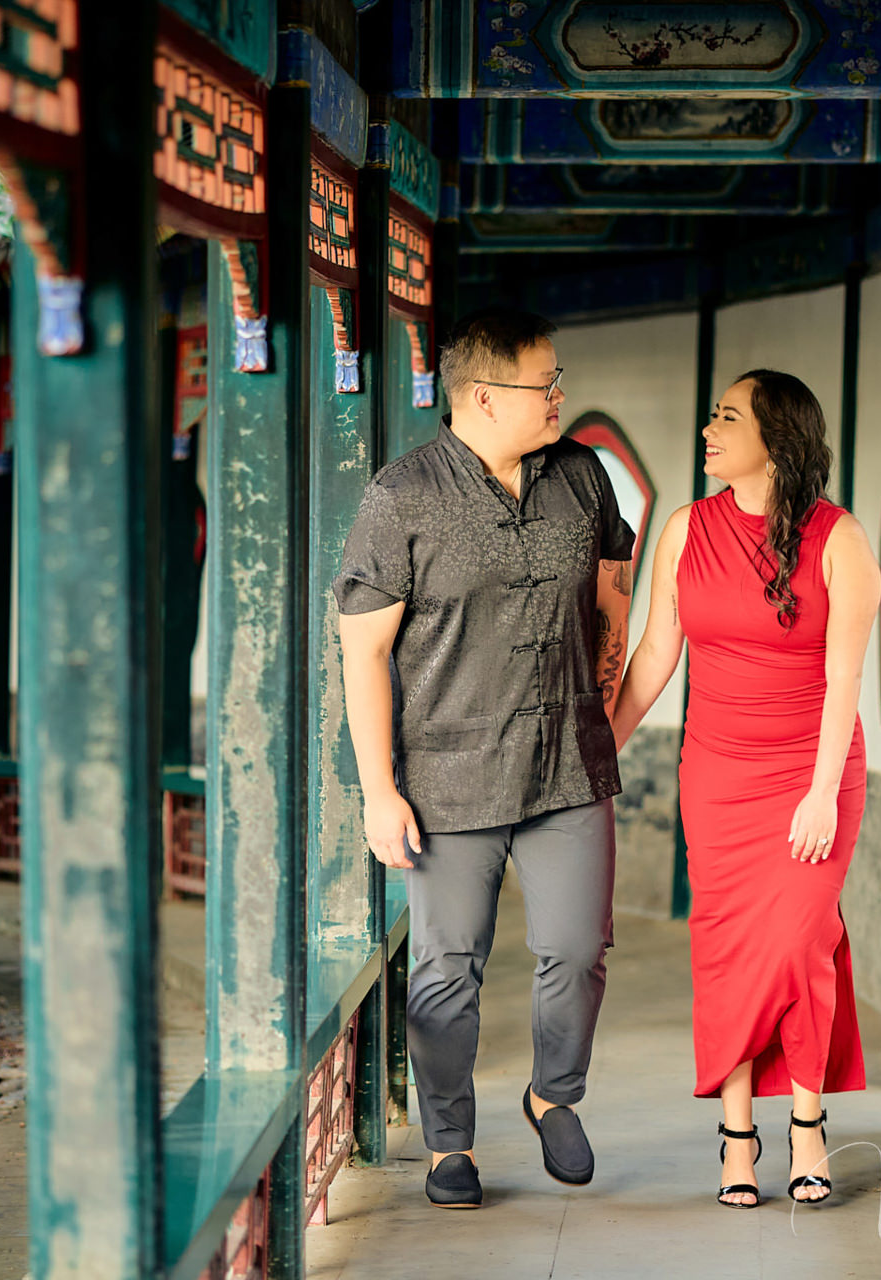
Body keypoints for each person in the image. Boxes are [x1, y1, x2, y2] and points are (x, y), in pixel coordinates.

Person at [332, 308, 638, 1210]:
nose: (558, 397)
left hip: (567, 764)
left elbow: (612, 599)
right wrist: (378, 790)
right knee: (445, 969)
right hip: (448, 775)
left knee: (579, 949)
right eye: (543, 385)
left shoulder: (581, 476)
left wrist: (603, 710)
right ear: (479, 396)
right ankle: (448, 1144)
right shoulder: (404, 496)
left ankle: (553, 1094)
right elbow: (364, 651)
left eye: (557, 381)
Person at [611, 369, 878, 1208]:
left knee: (801, 941)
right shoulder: (687, 529)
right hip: (717, 774)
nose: (707, 428)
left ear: (777, 437)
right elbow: (656, 654)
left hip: (814, 769)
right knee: (725, 951)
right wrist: (599, 747)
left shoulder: (841, 539)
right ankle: (735, 1135)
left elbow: (846, 683)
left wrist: (821, 790)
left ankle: (805, 1124)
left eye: (727, 416)